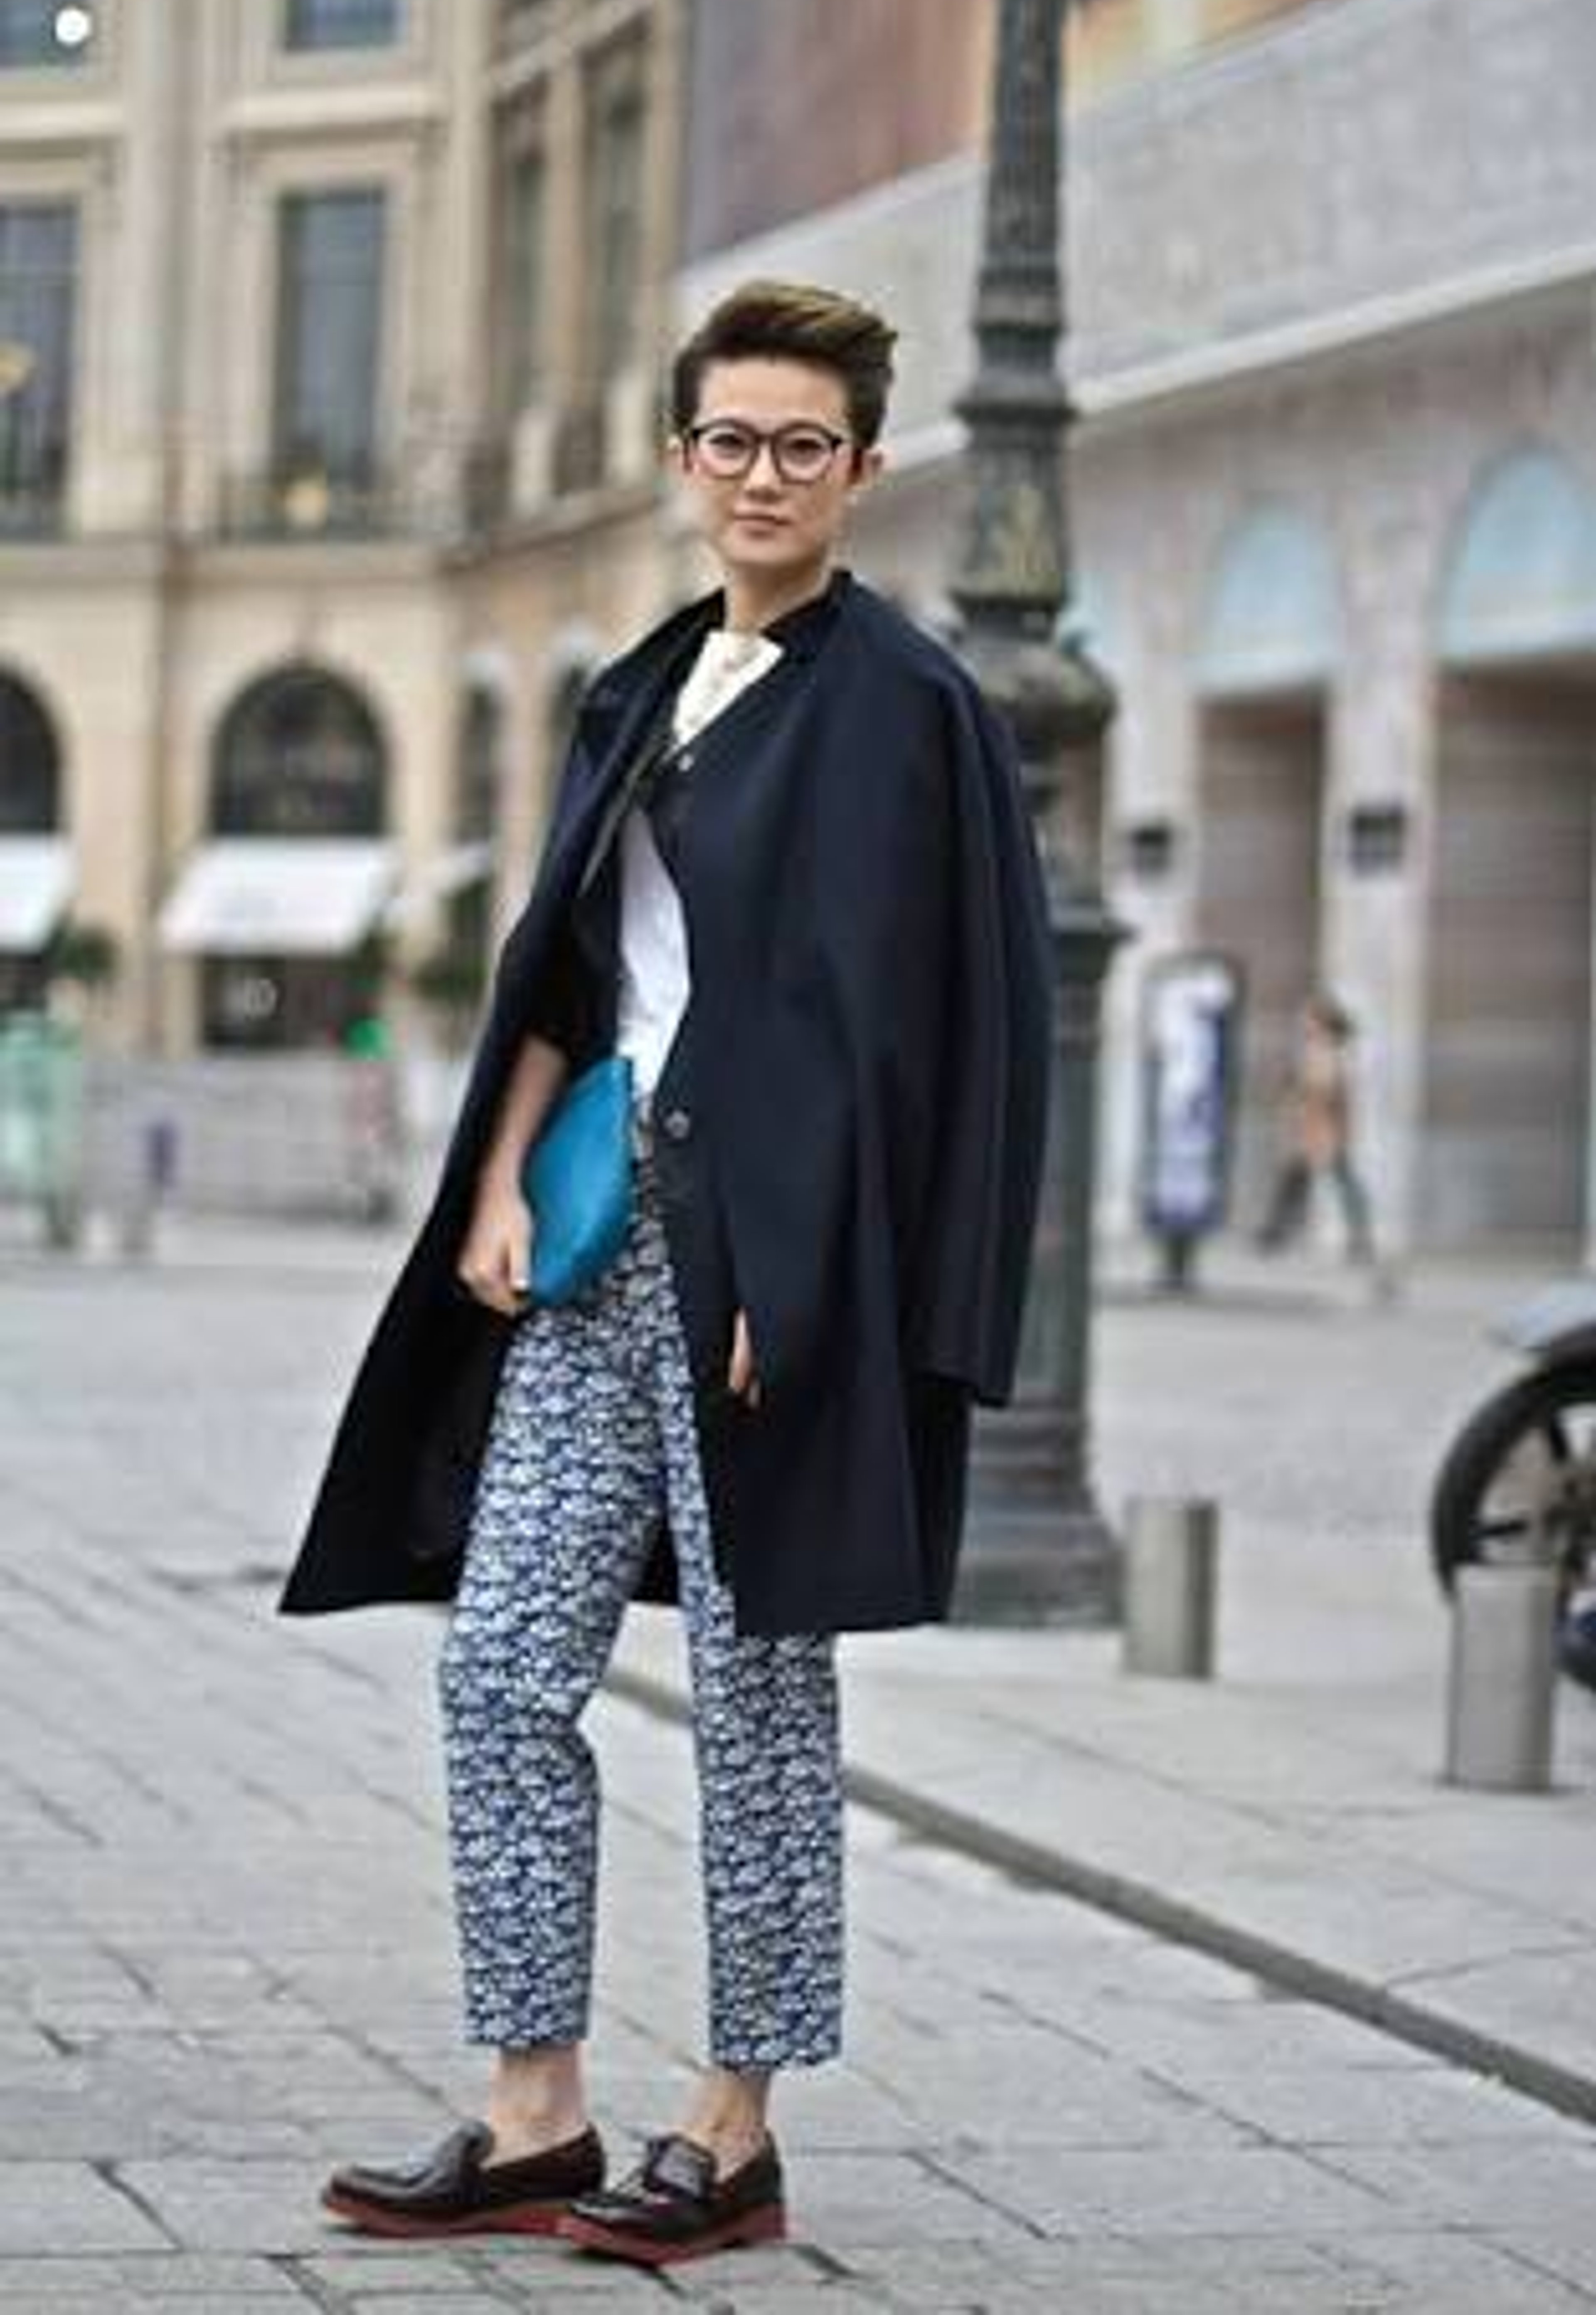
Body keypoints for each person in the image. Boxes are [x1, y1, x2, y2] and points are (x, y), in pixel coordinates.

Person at [276, 280, 1053, 2267]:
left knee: (754, 1686)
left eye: (806, 444)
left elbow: (938, 1029)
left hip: (770, 1285)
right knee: (501, 1660)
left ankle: (736, 2118)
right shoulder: (639, 681)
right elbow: (570, 956)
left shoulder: (909, 710)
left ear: (863, 469)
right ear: (681, 457)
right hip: (603, 1244)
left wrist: (847, 1296)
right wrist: (500, 1182)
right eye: (733, 439)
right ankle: (534, 2102)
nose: (764, 475)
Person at [1255, 990, 1376, 1262]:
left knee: (1334, 1182)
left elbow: (1329, 1091)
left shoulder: (1331, 1051)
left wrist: (1304, 1104)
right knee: (1298, 1182)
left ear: (1322, 1022)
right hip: (1312, 1128)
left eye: (1310, 1018)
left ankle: (1358, 1238)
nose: (1304, 1023)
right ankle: (1274, 1234)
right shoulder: (1317, 1049)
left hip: (1323, 1129)